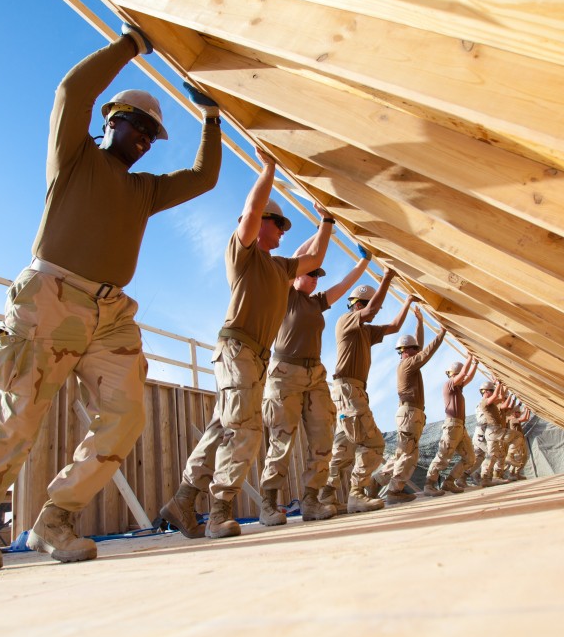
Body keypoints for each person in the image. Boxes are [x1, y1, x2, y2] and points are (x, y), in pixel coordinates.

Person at [0, 24, 223, 574]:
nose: (143, 138)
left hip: (111, 313)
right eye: (135, 125)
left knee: (127, 415)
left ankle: (55, 518)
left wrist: (210, 118)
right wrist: (130, 46)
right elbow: (71, 93)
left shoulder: (145, 191)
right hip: (51, 296)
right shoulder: (74, 159)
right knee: (22, 412)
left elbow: (204, 178)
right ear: (110, 121)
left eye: (151, 134)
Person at [161, 150, 332, 539]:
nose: (283, 232)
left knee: (225, 426)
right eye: (279, 224)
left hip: (255, 357)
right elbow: (252, 211)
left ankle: (184, 499)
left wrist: (326, 220)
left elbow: (315, 254)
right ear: (259, 225)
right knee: (247, 430)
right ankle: (219, 511)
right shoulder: (244, 254)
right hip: (237, 349)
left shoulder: (281, 267)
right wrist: (268, 168)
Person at [256, 241, 372, 526]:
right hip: (285, 373)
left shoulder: (317, 302)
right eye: (310, 274)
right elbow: (295, 258)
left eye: (318, 276)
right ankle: (269, 504)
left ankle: (311, 500)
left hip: (315, 375)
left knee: (322, 440)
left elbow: (344, 285)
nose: (315, 279)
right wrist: (324, 223)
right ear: (296, 276)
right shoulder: (285, 293)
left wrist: (364, 263)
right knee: (281, 440)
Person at [317, 271, 414, 513]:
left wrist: (409, 301)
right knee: (373, 443)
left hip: (352, 391)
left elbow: (394, 326)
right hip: (348, 390)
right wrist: (388, 278)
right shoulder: (346, 321)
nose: (375, 313)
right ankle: (357, 494)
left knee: (343, 449)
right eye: (371, 307)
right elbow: (370, 312)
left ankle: (326, 495)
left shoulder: (366, 332)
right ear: (359, 304)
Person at [379, 307, 446, 503]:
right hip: (409, 413)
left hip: (407, 413)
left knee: (401, 454)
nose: (418, 350)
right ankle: (394, 491)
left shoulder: (406, 362)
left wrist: (419, 323)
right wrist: (441, 333)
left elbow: (420, 348)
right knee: (409, 455)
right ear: (407, 351)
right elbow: (426, 353)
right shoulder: (409, 364)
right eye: (414, 349)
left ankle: (376, 481)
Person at [424, 355, 478, 495]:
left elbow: (468, 377)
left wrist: (475, 364)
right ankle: (429, 484)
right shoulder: (449, 385)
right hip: (452, 425)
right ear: (454, 375)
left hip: (461, 427)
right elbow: (464, 374)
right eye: (460, 375)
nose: (463, 379)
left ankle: (449, 482)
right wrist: (470, 358)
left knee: (470, 458)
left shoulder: (458, 388)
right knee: (443, 456)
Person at [475, 380, 507, 486]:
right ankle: (483, 477)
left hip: (486, 433)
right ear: (485, 391)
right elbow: (497, 396)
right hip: (481, 434)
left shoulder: (491, 403)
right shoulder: (484, 402)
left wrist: (501, 386)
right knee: (491, 454)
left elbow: (500, 397)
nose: (493, 393)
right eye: (491, 391)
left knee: (492, 454)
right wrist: (498, 385)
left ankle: (484, 476)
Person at [501, 394, 531, 481]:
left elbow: (524, 416)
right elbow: (525, 418)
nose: (519, 414)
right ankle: (511, 473)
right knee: (516, 457)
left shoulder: (512, 417)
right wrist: (527, 409)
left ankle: (516, 473)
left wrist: (521, 404)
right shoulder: (512, 419)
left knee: (522, 457)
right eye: (518, 412)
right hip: (515, 442)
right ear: (514, 413)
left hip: (519, 440)